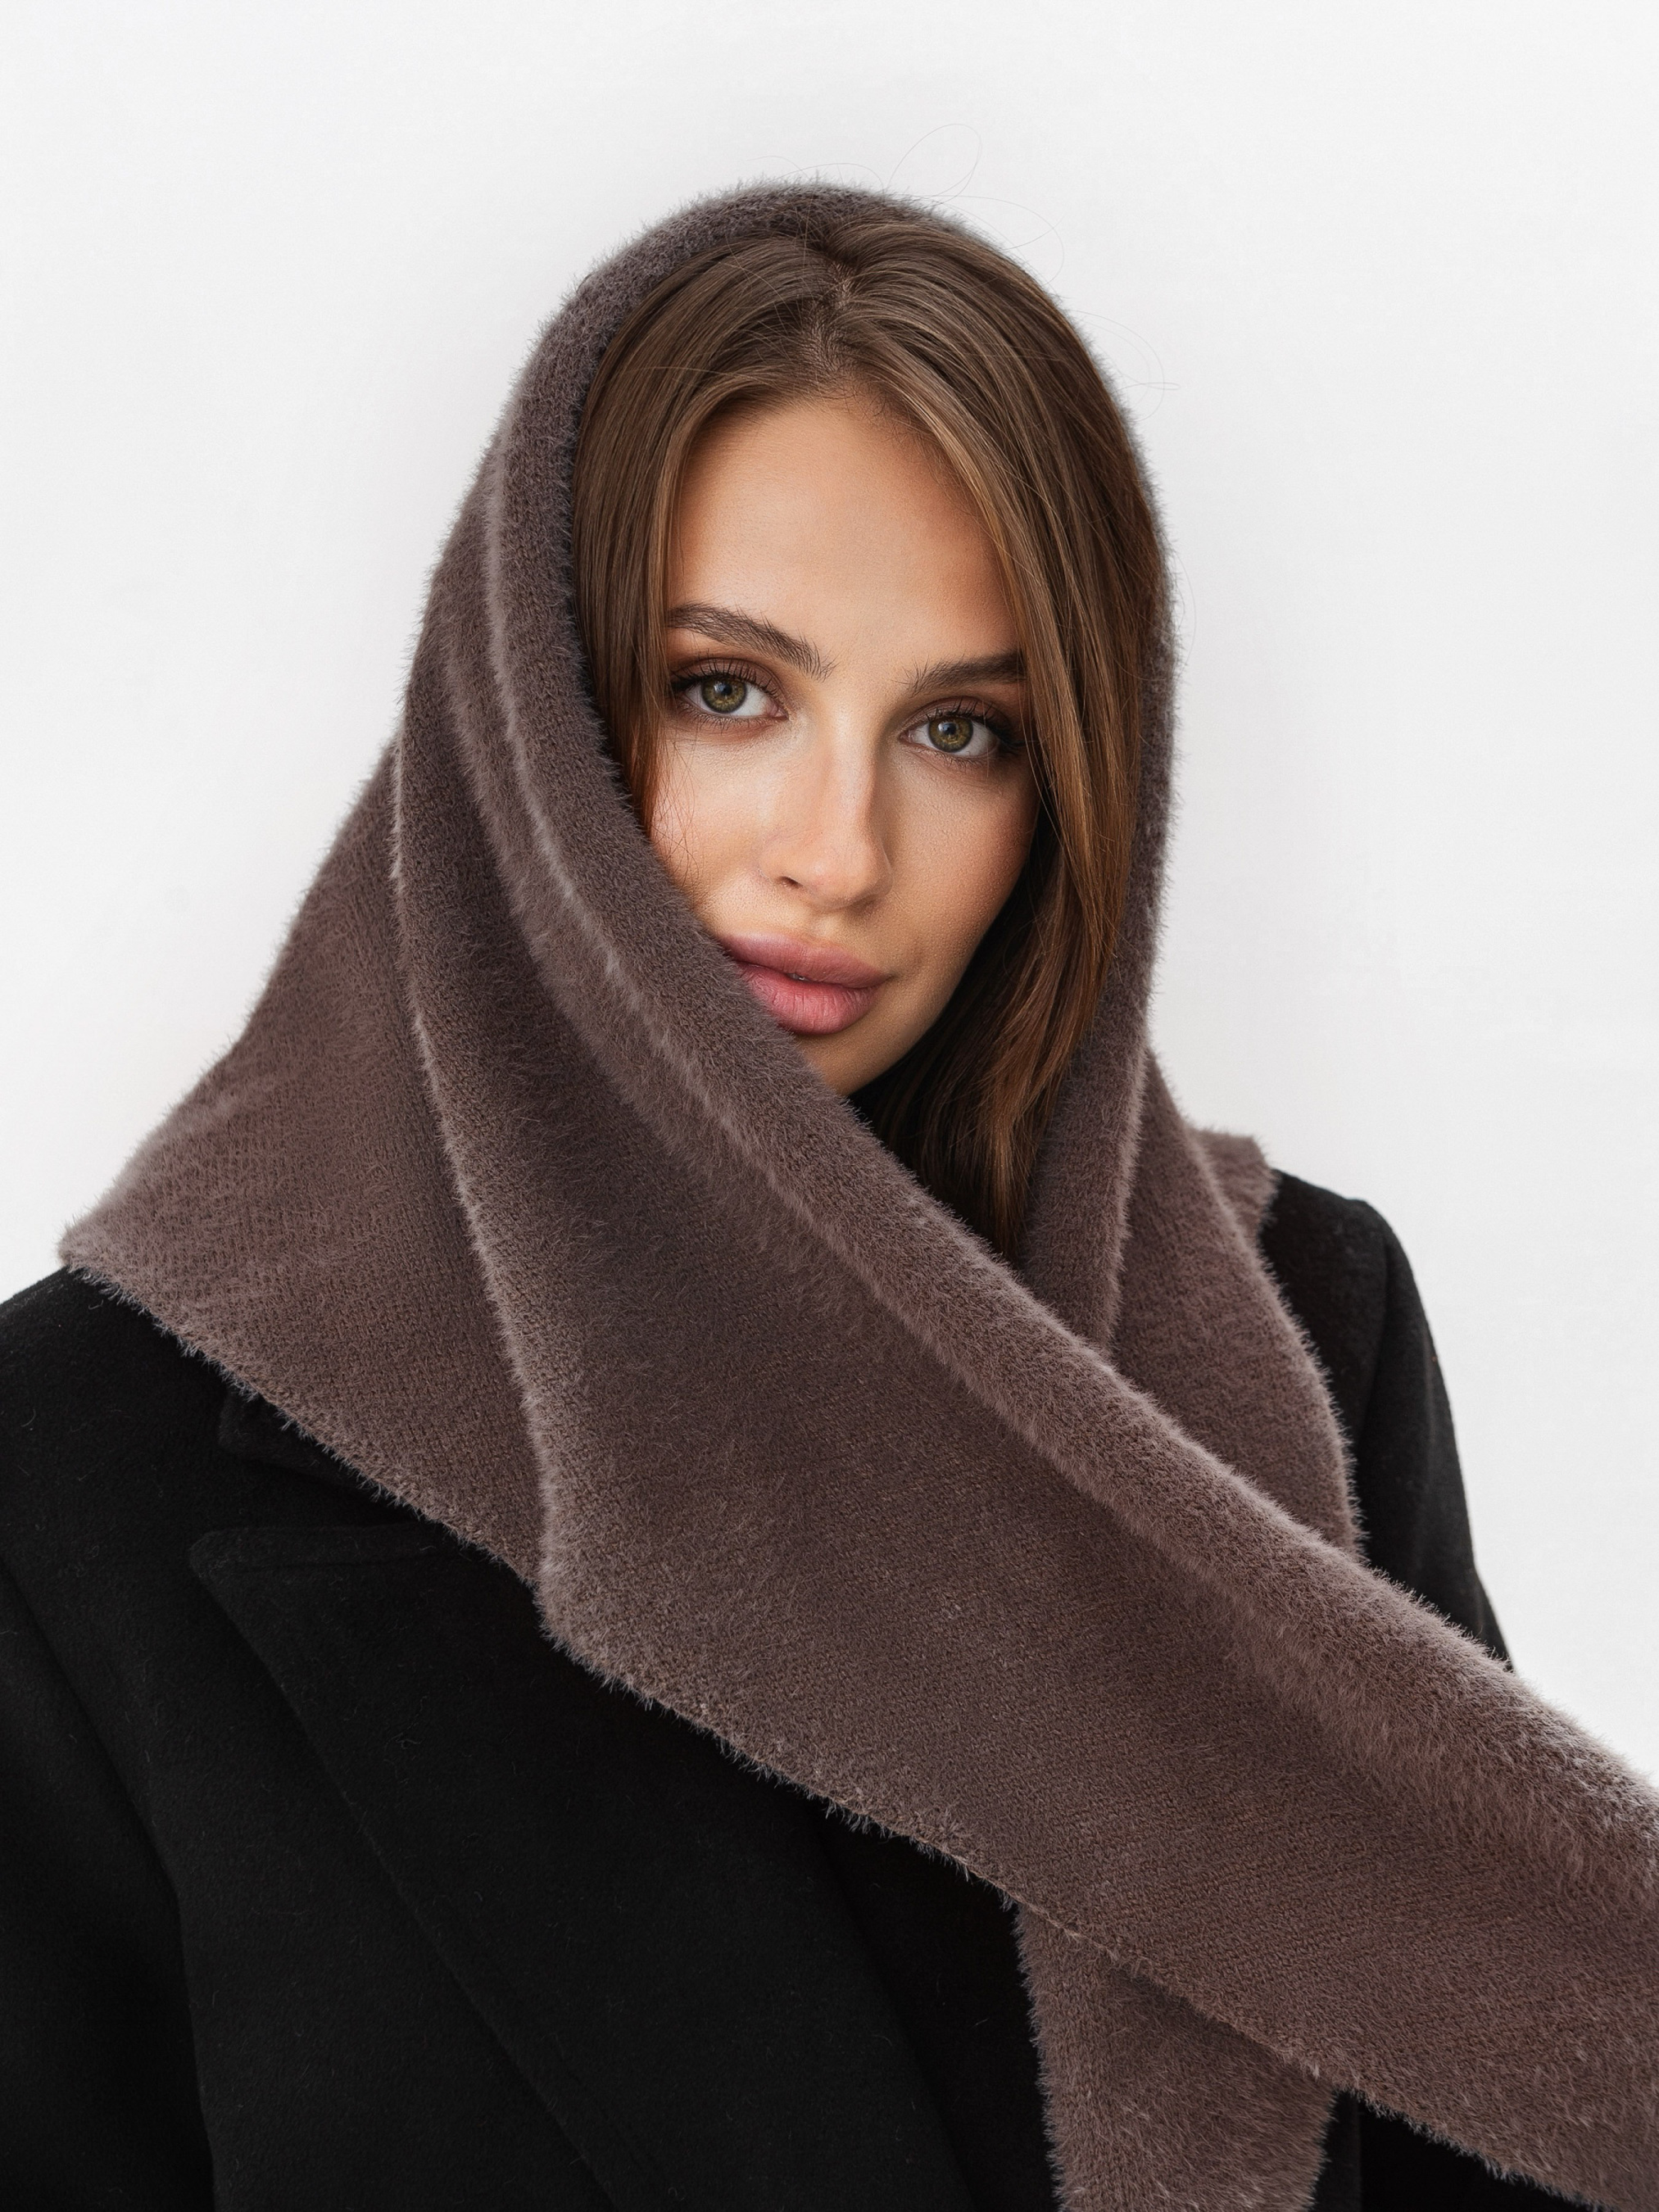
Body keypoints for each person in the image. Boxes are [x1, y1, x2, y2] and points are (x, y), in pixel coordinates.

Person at [1, 185, 1653, 2212]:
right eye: (726, 689)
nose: (838, 849)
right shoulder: (82, 1464)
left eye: (961, 731)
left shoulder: (1296, 1322)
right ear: (524, 701)